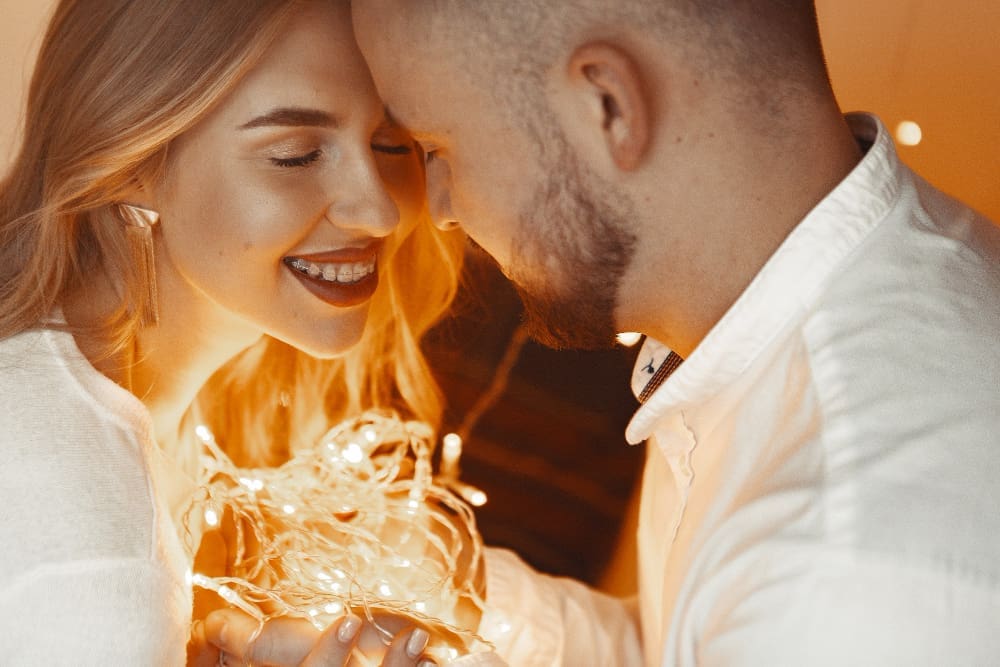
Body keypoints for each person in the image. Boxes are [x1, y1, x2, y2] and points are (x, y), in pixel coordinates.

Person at [348, 0, 1000, 665]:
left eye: (436, 148)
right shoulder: (762, 306)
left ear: (608, 105)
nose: (442, 209)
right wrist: (446, 592)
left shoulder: (846, 569)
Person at [0, 0, 463, 664]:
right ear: (132, 157)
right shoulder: (100, 565)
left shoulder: (167, 411)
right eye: (297, 154)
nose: (380, 209)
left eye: (394, 144)